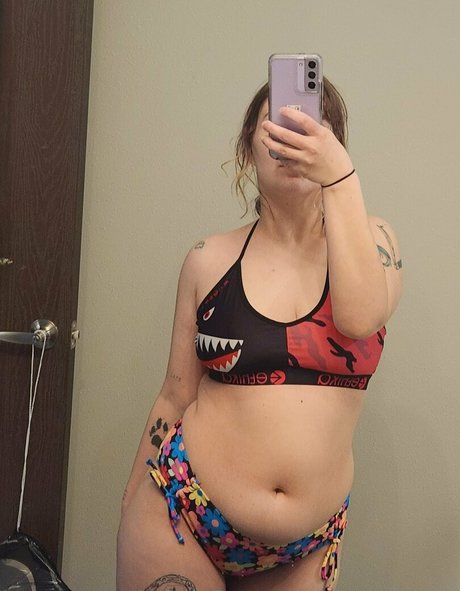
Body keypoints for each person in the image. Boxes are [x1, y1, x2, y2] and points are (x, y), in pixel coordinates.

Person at [117, 78, 402, 591]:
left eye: (313, 124)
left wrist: (341, 179)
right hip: (181, 512)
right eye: (279, 123)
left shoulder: (376, 240)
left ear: (336, 146)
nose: (295, 136)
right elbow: (175, 394)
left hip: (306, 545)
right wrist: (129, 503)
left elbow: (360, 320)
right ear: (248, 147)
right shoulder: (208, 259)